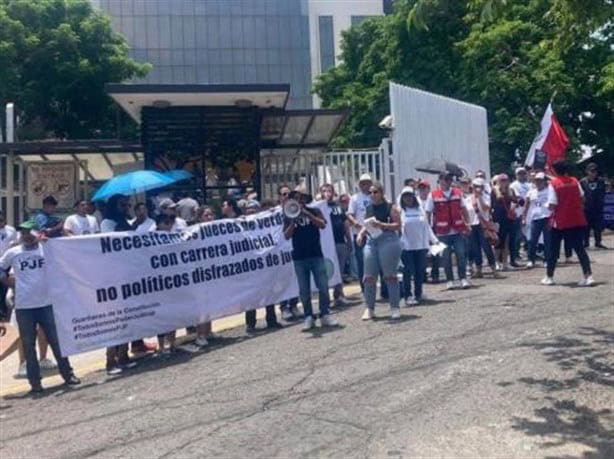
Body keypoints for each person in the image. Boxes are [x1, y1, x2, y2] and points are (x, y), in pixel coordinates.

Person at [0, 221, 80, 394]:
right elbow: (1, 267)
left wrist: (48, 240)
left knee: (56, 342)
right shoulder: (13, 252)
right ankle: (35, 383)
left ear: (37, 233)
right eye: (23, 233)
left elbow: (66, 255)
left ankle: (68, 375)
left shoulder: (47, 249)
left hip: (46, 303)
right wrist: (6, 281)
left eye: (30, 232)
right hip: (24, 306)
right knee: (29, 345)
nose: (26, 236)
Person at [283, 190, 338, 331]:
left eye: (300, 198)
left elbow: (322, 224)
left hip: (316, 254)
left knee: (323, 287)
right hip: (299, 257)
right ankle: (308, 316)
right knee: (304, 290)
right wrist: (293, 221)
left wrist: (307, 214)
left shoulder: (314, 210)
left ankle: (324, 313)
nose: (298, 201)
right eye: (295, 199)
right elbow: (286, 236)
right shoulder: (288, 215)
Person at [101, 195, 139, 374]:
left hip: (127, 274)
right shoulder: (107, 222)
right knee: (115, 320)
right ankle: (111, 361)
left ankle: (124, 357)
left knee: (128, 318)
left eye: (128, 204)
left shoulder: (126, 220)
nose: (126, 207)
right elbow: (113, 239)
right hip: (112, 276)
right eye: (123, 205)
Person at [542, 160, 594, 286]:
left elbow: (552, 204)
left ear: (554, 170)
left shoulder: (553, 184)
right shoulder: (575, 181)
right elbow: (582, 198)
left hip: (560, 221)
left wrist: (546, 205)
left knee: (553, 250)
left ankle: (549, 277)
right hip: (576, 219)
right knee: (580, 249)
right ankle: (588, 276)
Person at [356, 182, 402, 320]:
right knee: (369, 276)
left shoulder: (390, 207)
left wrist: (382, 225)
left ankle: (394, 307)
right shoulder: (369, 208)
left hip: (387, 239)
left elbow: (398, 225)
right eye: (370, 192)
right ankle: (369, 308)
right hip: (372, 241)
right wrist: (361, 234)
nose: (372, 195)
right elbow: (367, 224)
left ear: (381, 193)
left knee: (389, 275)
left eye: (375, 192)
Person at [424, 173, 471, 289]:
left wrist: (468, 224)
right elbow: (428, 212)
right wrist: (428, 230)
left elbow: (464, 209)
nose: (448, 181)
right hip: (442, 231)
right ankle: (449, 280)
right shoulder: (433, 195)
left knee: (461, 254)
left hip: (457, 229)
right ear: (440, 180)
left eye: (450, 179)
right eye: (446, 179)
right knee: (445, 257)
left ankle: (462, 278)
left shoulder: (457, 192)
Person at [243, 200, 282, 332]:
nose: (251, 211)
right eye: (248, 208)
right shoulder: (240, 224)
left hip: (265, 263)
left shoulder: (265, 223)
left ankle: (271, 320)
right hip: (250, 265)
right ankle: (250, 323)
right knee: (251, 296)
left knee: (269, 292)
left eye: (254, 208)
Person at [399, 187, 437, 306]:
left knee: (420, 271)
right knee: (408, 271)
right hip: (407, 246)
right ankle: (408, 296)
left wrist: (434, 240)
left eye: (410, 196)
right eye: (405, 196)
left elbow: (427, 226)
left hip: (421, 245)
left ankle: (418, 293)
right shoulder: (400, 211)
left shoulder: (420, 209)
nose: (408, 198)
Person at [321, 184, 351, 307]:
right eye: (324, 191)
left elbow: (345, 222)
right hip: (326, 244)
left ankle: (339, 295)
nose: (327, 193)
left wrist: (349, 239)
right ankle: (326, 297)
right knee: (327, 270)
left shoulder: (338, 206)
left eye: (329, 190)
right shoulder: (319, 207)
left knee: (340, 269)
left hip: (340, 241)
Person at [277, 185, 301, 321]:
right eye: (284, 194)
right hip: (281, 251)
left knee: (294, 278)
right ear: (280, 197)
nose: (286, 197)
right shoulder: (275, 213)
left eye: (288, 194)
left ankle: (293, 304)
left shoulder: (295, 209)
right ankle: (284, 307)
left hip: (295, 247)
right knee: (283, 280)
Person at [466, 178, 498, 278]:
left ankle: (493, 269)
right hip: (473, 224)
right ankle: (478, 269)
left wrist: (479, 197)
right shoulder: (468, 199)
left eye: (479, 186)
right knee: (475, 248)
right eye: (475, 186)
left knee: (486, 246)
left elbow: (485, 208)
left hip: (483, 225)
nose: (477, 188)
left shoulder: (486, 197)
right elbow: (465, 212)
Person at [347, 174, 373, 291]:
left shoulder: (375, 196)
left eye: (367, 183)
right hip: (359, 234)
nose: (365, 186)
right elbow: (349, 214)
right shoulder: (355, 198)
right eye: (363, 183)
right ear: (360, 185)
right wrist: (355, 223)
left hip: (374, 232)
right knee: (361, 260)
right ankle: (364, 287)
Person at [492, 174, 521, 270]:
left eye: (506, 180)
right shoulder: (495, 190)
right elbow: (492, 203)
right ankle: (496, 262)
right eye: (502, 180)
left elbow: (515, 201)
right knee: (498, 241)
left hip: (508, 218)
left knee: (506, 241)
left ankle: (505, 263)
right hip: (498, 218)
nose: (504, 182)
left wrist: (515, 204)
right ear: (498, 181)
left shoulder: (511, 191)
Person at [524, 172, 551, 268]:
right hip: (535, 218)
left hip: (547, 217)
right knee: (532, 240)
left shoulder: (549, 191)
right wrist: (524, 218)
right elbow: (526, 206)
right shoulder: (531, 192)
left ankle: (547, 260)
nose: (538, 182)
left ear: (544, 181)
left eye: (540, 181)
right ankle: (531, 259)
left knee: (547, 240)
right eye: (536, 181)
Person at [580, 163, 607, 249]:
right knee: (586, 226)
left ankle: (598, 242)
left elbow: (603, 192)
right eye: (591, 171)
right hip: (586, 207)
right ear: (587, 171)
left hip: (597, 207)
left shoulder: (600, 181)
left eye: (595, 171)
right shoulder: (582, 182)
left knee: (598, 226)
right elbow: (580, 194)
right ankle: (586, 242)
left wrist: (600, 202)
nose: (593, 173)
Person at [510, 167, 531, 263]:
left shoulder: (529, 185)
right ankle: (516, 254)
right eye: (520, 173)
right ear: (516, 175)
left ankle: (529, 252)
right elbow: (519, 198)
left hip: (529, 213)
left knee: (528, 235)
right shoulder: (514, 185)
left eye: (523, 173)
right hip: (518, 213)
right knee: (518, 235)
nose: (522, 175)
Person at [0, 210, 18, 321]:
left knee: (6, 290)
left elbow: (15, 244)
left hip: (7, 264)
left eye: (1, 220)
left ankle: (5, 313)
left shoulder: (11, 230)